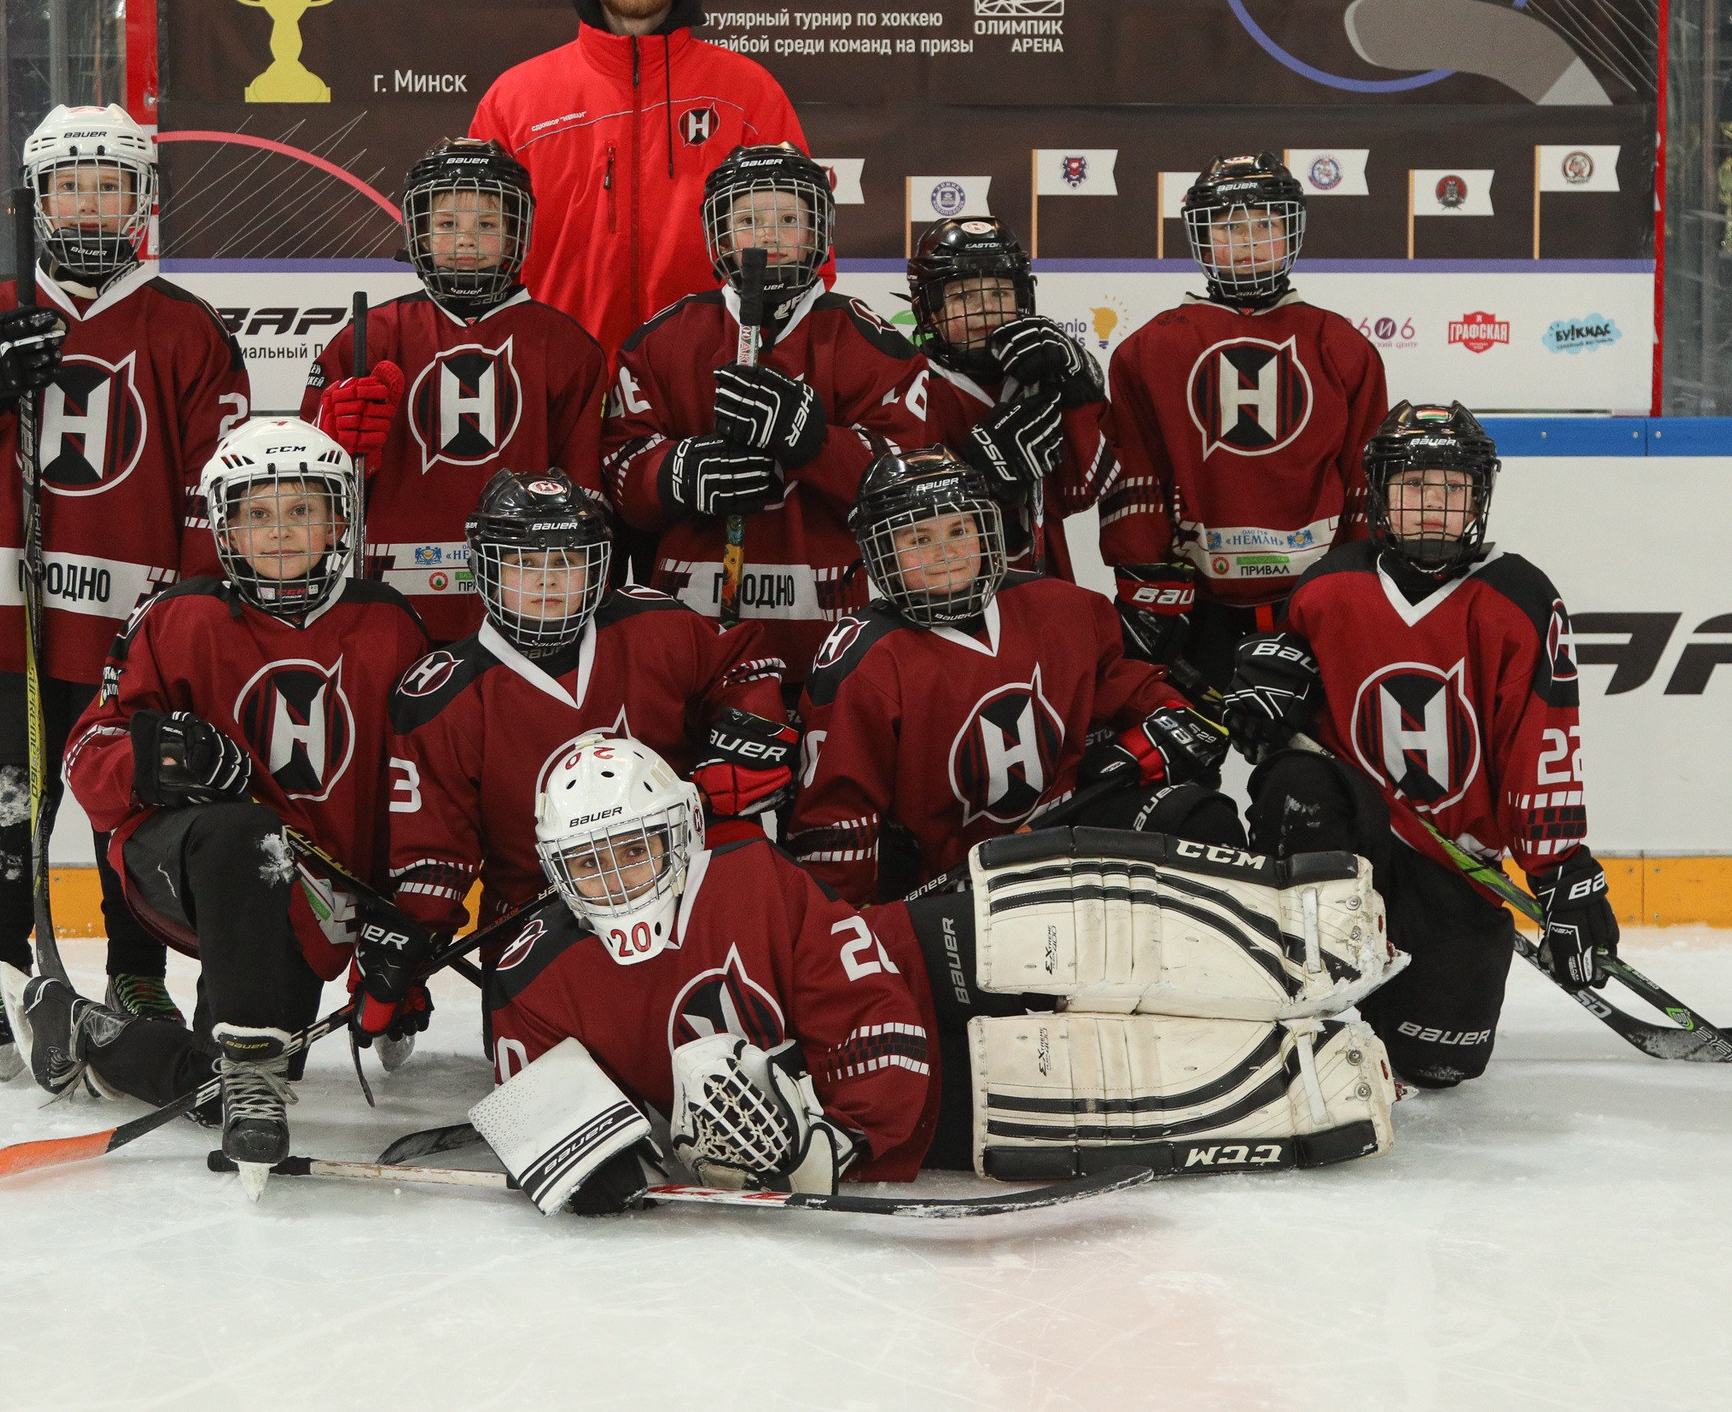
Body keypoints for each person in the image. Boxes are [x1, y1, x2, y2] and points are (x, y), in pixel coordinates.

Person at [467, 734, 1398, 1215]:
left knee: (1063, 924)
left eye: (633, 851)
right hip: (890, 1110)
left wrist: (838, 1141)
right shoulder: (530, 977)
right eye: (588, 865)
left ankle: (1295, 922)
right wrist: (596, 1170)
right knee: (1085, 1076)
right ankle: (1310, 1091)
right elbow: (554, 1126)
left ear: (678, 831)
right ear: (554, 872)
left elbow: (862, 998)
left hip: (904, 969)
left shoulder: (744, 868)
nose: (616, 882)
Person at [0, 102, 249, 1077]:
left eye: (109, 185)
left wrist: (180, 619)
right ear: (36, 198)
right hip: (8, 618)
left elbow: (212, 488)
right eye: (67, 186)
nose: (88, 205)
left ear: (141, 199)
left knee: (129, 803)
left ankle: (138, 970)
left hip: (131, 635)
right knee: (4, 801)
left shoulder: (183, 327)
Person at [45, 417, 433, 1193]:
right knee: (242, 831)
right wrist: (155, 763)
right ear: (224, 524)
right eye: (258, 512)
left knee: (225, 1077)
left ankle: (91, 1036)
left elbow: (430, 784)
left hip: (315, 890)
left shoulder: (391, 624)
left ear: (337, 519)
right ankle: (250, 1061)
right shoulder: (178, 617)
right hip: (193, 867)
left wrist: (407, 931)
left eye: (301, 510)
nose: (280, 531)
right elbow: (87, 756)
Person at [1220, 401, 1615, 1092]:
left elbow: (1541, 742)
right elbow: (1284, 724)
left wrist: (1559, 868)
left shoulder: (1517, 597)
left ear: (1478, 498)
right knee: (1296, 789)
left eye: (1450, 490)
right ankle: (1299, 985)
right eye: (1412, 489)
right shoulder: (1330, 586)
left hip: (1452, 867)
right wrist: (1263, 703)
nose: (1432, 508)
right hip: (1361, 845)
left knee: (1440, 1063)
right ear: (1379, 495)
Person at [789, 446, 1235, 903]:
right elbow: (836, 819)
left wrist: (1168, 715)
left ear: (986, 529)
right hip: (952, 881)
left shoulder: (1060, 606)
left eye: (959, 529)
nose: (946, 552)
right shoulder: (863, 659)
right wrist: (850, 924)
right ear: (880, 552)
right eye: (919, 539)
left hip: (1068, 835)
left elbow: (1116, 683)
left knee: (1203, 821)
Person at [384, 467, 791, 943]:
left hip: (680, 891)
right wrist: (409, 942)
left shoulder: (652, 626)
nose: (547, 582)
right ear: (486, 567)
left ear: (596, 566)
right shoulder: (441, 698)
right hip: (537, 927)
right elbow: (433, 854)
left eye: (566, 562)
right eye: (524, 562)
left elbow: (744, 671)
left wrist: (740, 745)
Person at [601, 143, 931, 684]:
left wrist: (816, 442)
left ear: (818, 232)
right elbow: (619, 468)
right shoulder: (663, 341)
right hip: (692, 623)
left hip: (838, 624)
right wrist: (677, 473)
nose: (770, 236)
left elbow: (911, 480)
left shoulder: (874, 343)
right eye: (749, 220)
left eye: (788, 218)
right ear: (721, 234)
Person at [467, 0, 815, 352]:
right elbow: (472, 263)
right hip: (558, 391)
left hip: (705, 392)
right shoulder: (515, 100)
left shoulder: (748, 94)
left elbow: (807, 260)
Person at [299, 137, 610, 643]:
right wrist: (335, 450)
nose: (465, 241)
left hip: (528, 598)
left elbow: (588, 492)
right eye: (446, 225)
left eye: (486, 225)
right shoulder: (372, 337)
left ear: (516, 234)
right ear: (418, 230)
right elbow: (308, 483)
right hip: (389, 601)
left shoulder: (568, 346)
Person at [1100, 152, 1388, 693]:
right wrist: (1150, 598)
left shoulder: (1342, 346)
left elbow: (1363, 482)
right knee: (1184, 758)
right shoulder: (1148, 350)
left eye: (1266, 224)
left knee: (1307, 768)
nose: (1250, 241)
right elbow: (1137, 474)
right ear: (1202, 238)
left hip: (1312, 603)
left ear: (1292, 233)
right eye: (1230, 227)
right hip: (1197, 605)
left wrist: (1357, 587)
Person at [903, 215, 1115, 580]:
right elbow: (899, 522)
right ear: (929, 312)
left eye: (1000, 293)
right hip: (945, 594)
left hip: (1042, 595)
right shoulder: (913, 385)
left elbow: (1081, 491)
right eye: (964, 295)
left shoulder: (1040, 375)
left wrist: (1081, 383)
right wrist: (978, 478)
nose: (985, 307)